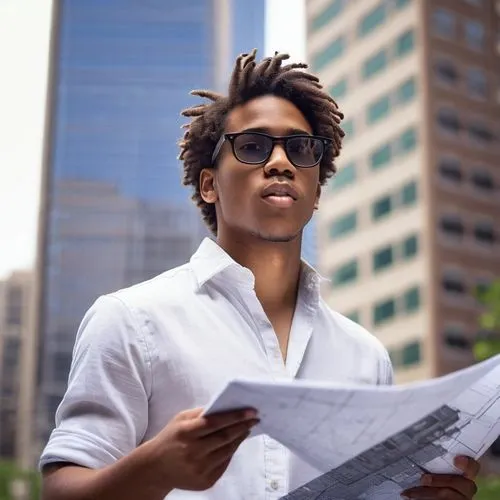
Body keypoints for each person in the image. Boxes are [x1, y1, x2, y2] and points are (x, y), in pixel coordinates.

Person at [40, 50, 480, 500]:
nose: (280, 162)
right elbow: (59, 491)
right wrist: (153, 468)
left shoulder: (367, 357)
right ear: (210, 184)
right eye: (252, 146)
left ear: (316, 190)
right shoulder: (130, 319)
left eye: (300, 148)